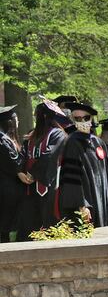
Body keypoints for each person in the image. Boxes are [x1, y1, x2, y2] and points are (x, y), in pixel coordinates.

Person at [56, 102, 108, 227]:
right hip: (87, 201)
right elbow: (72, 178)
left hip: (102, 198)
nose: (82, 121)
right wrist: (82, 205)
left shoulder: (98, 142)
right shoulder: (72, 142)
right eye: (77, 119)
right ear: (73, 120)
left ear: (91, 118)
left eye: (86, 118)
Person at [17, 103, 68, 240]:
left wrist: (32, 173)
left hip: (48, 187)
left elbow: (50, 155)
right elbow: (23, 154)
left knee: (47, 223)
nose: (36, 118)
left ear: (45, 116)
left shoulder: (57, 134)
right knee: (30, 224)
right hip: (30, 187)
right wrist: (20, 172)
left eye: (37, 115)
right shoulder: (33, 135)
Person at [0, 105, 25, 242]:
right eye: (16, 119)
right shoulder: (3, 141)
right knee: (6, 225)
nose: (18, 122)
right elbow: (15, 163)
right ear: (10, 122)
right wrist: (27, 147)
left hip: (7, 187)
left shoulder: (5, 139)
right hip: (7, 189)